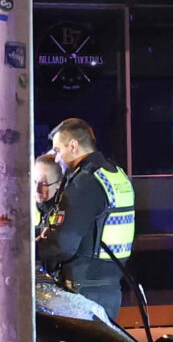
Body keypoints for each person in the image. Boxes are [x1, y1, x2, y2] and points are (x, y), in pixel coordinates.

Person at [41, 118, 134, 319]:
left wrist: (27, 252)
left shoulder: (84, 182)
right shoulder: (116, 174)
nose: (55, 158)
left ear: (73, 146)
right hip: (109, 287)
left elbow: (63, 245)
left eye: (57, 150)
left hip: (82, 291)